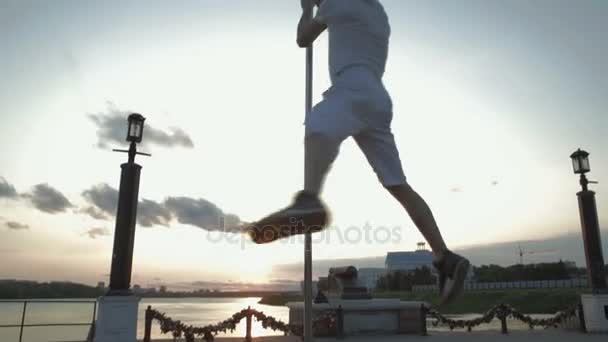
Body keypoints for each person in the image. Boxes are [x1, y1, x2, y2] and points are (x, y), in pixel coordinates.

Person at [247, 0, 470, 304]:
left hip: (352, 86)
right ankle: (444, 256)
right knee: (397, 184)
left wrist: (307, 7)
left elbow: (302, 38)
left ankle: (309, 201)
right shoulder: (379, 13)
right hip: (378, 98)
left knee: (317, 125)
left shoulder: (339, 3)